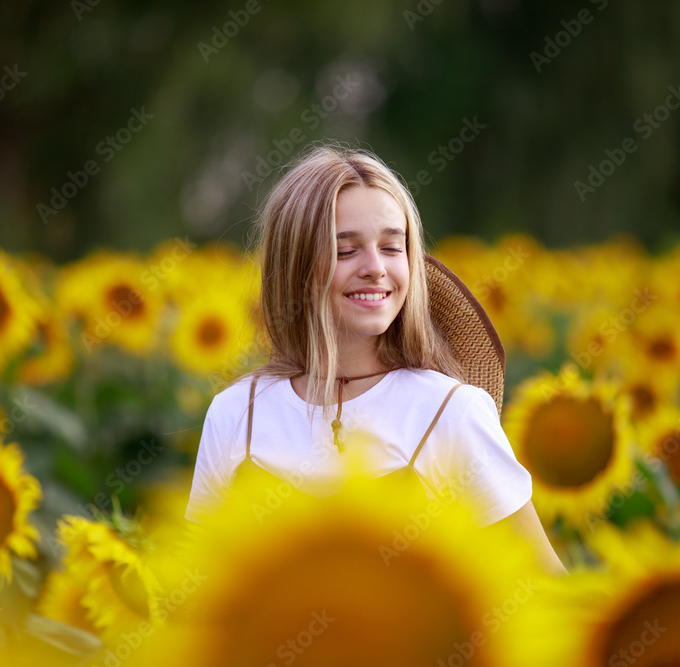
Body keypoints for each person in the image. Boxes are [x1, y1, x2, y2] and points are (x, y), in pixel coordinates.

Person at [185, 143, 567, 576]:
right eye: (345, 250)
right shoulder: (238, 413)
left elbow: (544, 587)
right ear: (296, 266)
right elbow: (194, 595)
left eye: (392, 247)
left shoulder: (452, 413)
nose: (375, 268)